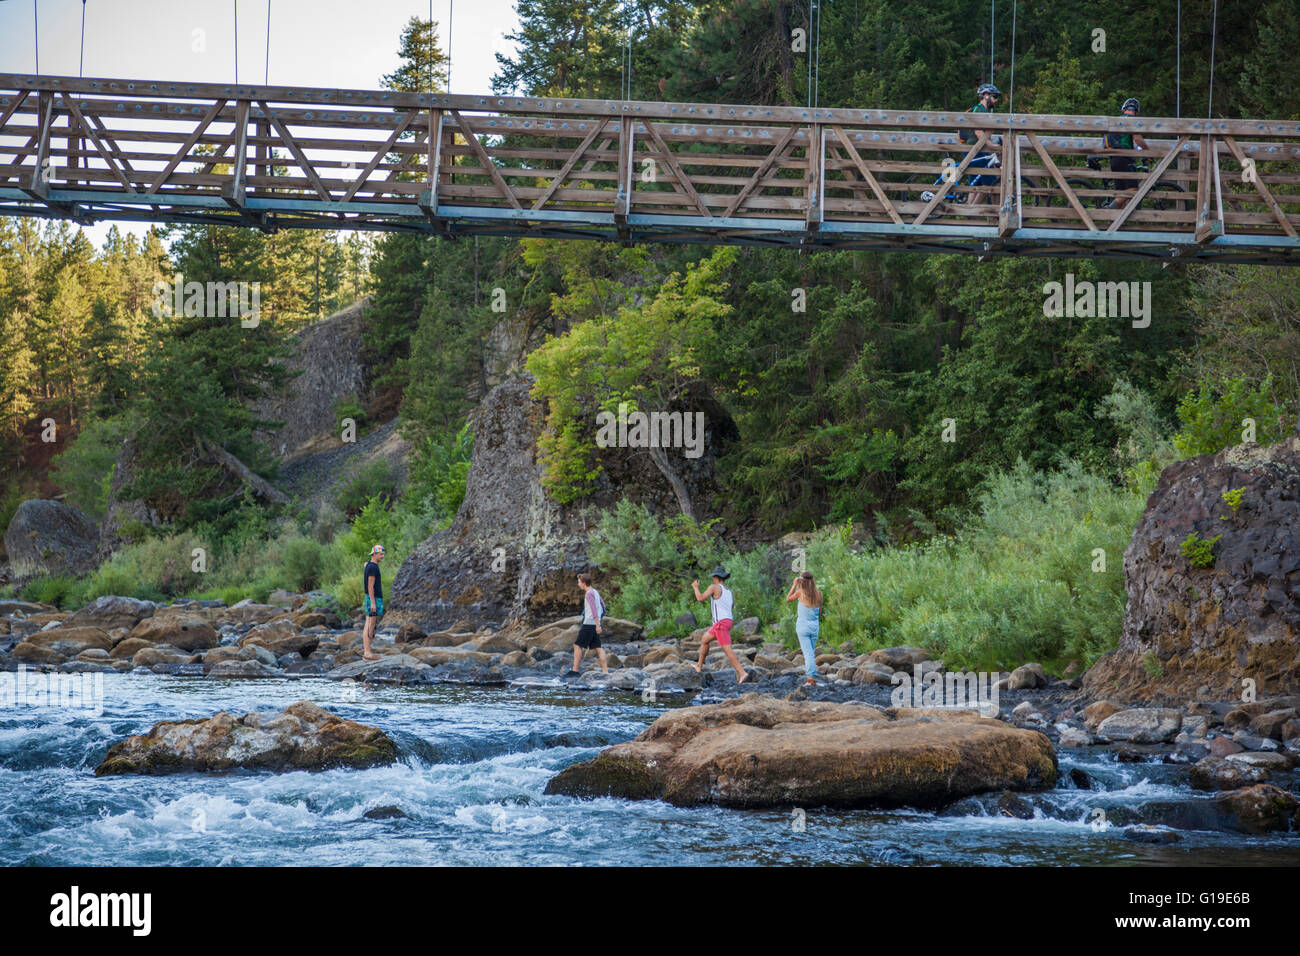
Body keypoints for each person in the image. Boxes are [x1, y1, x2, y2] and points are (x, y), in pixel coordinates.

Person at [922, 82, 1002, 206]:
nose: (996, 100)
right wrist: (992, 146)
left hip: (972, 150)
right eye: (994, 97)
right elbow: (979, 132)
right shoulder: (979, 110)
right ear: (986, 95)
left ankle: (969, 213)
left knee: (975, 184)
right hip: (976, 151)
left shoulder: (980, 110)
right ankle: (972, 211)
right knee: (988, 183)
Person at [691, 566, 749, 684]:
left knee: (727, 649)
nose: (713, 579)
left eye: (713, 577)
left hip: (721, 623)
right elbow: (731, 606)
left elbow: (700, 598)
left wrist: (695, 587)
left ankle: (742, 672)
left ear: (716, 577)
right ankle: (699, 666)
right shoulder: (728, 591)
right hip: (726, 621)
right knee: (705, 640)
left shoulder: (714, 587)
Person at [1102, 98, 1150, 210]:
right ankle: (1110, 208)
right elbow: (1138, 140)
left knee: (1121, 192)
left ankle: (1114, 224)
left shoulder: (1116, 121)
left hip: (1114, 158)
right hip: (1124, 158)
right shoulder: (1131, 120)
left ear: (1124, 109)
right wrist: (1148, 153)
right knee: (1133, 189)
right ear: (1136, 111)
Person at [564, 573, 609, 677]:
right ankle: (605, 671)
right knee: (598, 647)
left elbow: (593, 610)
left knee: (577, 645)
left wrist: (598, 625)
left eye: (579, 582)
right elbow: (603, 606)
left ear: (583, 583)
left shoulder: (588, 593)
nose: (578, 584)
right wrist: (599, 622)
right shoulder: (595, 592)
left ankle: (575, 671)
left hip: (589, 623)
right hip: (593, 623)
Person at [785, 571, 822, 686]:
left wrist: (794, 585)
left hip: (803, 626)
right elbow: (819, 611)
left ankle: (810, 679)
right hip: (814, 626)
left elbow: (788, 599)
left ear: (802, 581)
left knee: (808, 654)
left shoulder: (800, 592)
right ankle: (812, 676)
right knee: (810, 652)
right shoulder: (819, 593)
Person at [361, 544, 384, 662]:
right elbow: (370, 586)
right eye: (381, 554)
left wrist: (366, 565)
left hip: (371, 598)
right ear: (374, 554)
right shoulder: (373, 568)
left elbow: (366, 566)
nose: (383, 556)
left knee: (368, 623)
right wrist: (373, 603)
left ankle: (367, 651)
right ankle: (367, 652)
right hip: (373, 598)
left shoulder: (370, 566)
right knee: (370, 625)